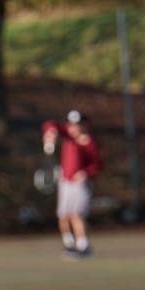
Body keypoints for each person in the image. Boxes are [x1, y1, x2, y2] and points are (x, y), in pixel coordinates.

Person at [42, 110, 103, 258]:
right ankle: (68, 244)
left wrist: (86, 173)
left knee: (76, 214)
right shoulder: (68, 136)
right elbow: (50, 124)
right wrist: (50, 134)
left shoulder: (90, 143)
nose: (74, 127)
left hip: (80, 185)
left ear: (85, 125)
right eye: (72, 124)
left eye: (78, 124)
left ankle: (83, 246)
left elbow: (98, 165)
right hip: (65, 182)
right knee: (63, 214)